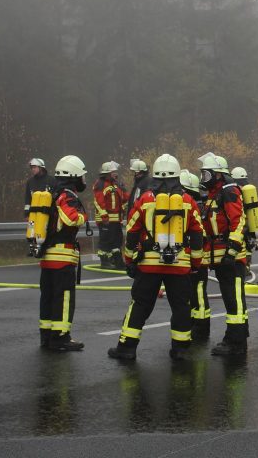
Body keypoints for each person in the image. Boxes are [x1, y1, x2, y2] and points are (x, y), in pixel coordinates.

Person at [108, 154, 204, 361]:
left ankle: (126, 349)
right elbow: (198, 234)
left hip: (148, 265)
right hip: (179, 265)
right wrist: (195, 264)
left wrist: (130, 260)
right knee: (181, 306)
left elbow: (132, 230)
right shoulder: (188, 201)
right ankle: (180, 350)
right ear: (177, 176)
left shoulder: (145, 200)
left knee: (140, 305)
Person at [198, 152, 248, 356]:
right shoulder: (214, 195)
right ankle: (237, 338)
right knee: (231, 299)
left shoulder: (228, 191)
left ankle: (235, 343)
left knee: (234, 299)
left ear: (218, 175)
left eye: (206, 174)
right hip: (221, 257)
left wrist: (232, 251)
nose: (203, 178)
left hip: (231, 258)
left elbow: (239, 222)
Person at [39, 155, 89, 351]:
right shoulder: (67, 195)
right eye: (82, 176)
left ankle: (46, 336)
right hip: (62, 256)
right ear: (74, 175)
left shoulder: (51, 193)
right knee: (64, 297)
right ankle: (60, 338)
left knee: (48, 297)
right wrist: (84, 217)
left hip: (48, 255)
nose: (83, 179)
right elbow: (71, 218)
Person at [181, 169, 211, 342]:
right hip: (195, 257)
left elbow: (196, 235)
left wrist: (195, 261)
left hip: (199, 258)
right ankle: (194, 324)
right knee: (193, 293)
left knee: (198, 292)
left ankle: (200, 328)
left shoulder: (195, 207)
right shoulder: (198, 204)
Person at [93, 161, 128, 269]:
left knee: (117, 240)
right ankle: (105, 261)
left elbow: (124, 199)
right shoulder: (100, 184)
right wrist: (104, 216)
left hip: (116, 219)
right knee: (106, 241)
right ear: (107, 173)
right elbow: (98, 201)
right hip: (106, 220)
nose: (116, 174)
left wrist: (124, 191)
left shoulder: (116, 184)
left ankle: (116, 260)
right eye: (114, 172)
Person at [24, 158, 56, 256]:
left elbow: (55, 196)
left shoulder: (51, 180)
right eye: (31, 168)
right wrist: (26, 213)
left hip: (47, 212)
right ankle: (34, 249)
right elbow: (27, 199)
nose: (32, 169)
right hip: (33, 213)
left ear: (41, 168)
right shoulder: (30, 182)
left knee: (47, 231)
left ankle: (46, 251)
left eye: (34, 167)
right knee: (32, 231)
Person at [231, 166, 258, 268]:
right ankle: (246, 267)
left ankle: (243, 268)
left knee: (242, 245)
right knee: (247, 248)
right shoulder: (250, 192)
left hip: (241, 226)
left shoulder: (235, 192)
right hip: (250, 227)